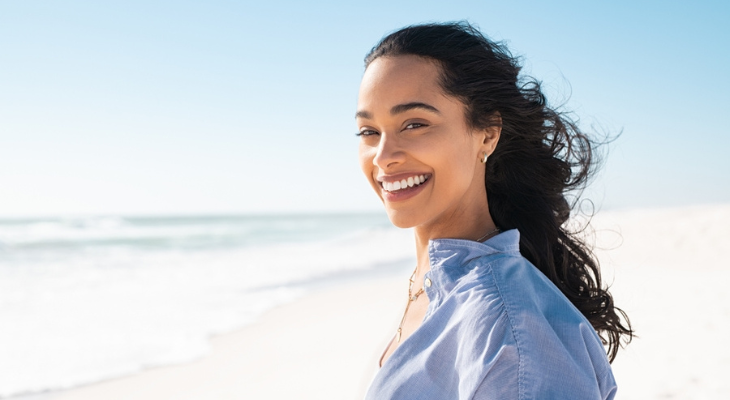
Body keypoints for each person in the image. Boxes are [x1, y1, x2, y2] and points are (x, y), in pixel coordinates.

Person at [355, 22, 633, 399]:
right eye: (369, 131)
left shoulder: (508, 331)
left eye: (415, 124)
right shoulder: (435, 285)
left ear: (487, 133)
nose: (384, 157)